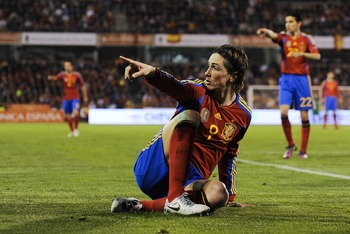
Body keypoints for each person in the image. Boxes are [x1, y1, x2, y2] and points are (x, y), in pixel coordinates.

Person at [111, 44, 251, 216]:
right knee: (190, 115)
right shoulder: (197, 91)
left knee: (219, 193)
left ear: (232, 76)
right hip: (155, 166)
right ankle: (175, 197)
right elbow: (174, 86)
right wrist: (153, 73)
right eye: (208, 65)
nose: (206, 72)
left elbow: (229, 156)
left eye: (214, 68)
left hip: (190, 181)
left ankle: (139, 205)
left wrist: (230, 197)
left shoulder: (242, 115)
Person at [257, 12, 321, 159]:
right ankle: (290, 144)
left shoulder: (306, 39)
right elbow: (274, 36)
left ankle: (303, 150)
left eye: (291, 21)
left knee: (304, 115)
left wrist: (301, 54)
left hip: (302, 80)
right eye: (286, 22)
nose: (288, 24)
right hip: (286, 79)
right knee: (283, 112)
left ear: (299, 23)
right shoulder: (284, 38)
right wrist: (266, 32)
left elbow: (317, 55)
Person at [48, 61, 88, 137]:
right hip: (66, 98)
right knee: (68, 115)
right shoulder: (62, 75)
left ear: (72, 67)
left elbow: (83, 86)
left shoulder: (76, 75)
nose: (67, 67)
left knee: (75, 112)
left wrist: (85, 96)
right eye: (66, 66)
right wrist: (50, 77)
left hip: (75, 97)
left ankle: (76, 129)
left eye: (68, 66)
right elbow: (56, 78)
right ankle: (72, 131)